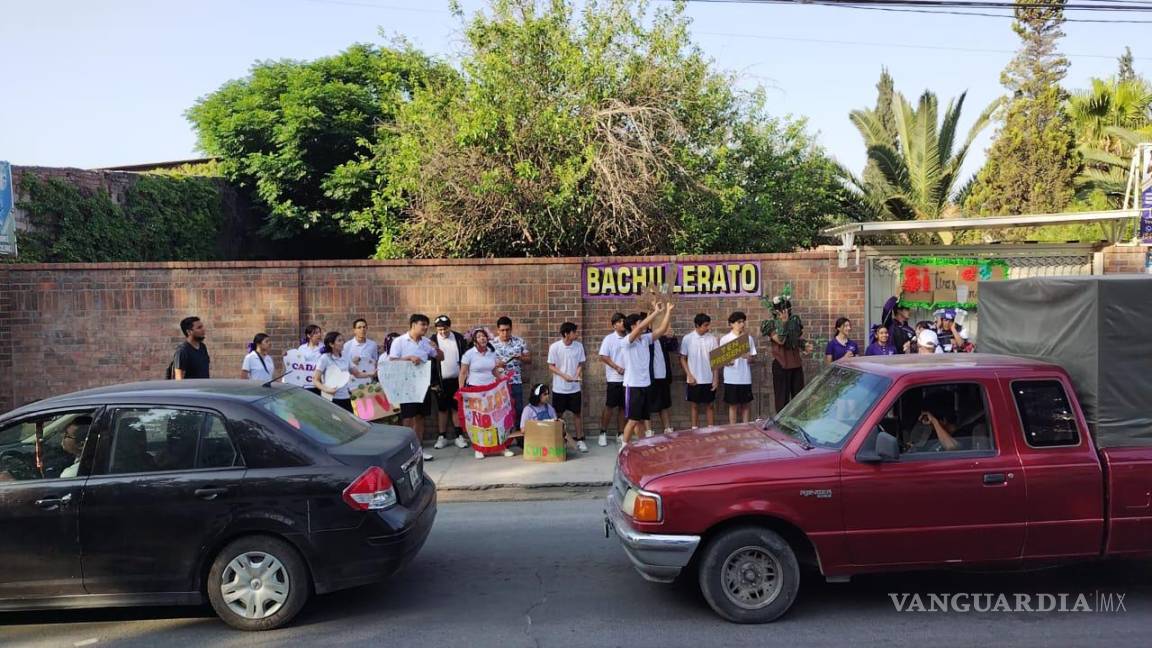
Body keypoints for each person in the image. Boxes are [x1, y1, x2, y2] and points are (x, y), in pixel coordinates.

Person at [388, 314, 444, 459]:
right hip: (406, 386)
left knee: (421, 417)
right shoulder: (399, 341)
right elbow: (392, 362)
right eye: (422, 324)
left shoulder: (426, 342)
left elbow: (440, 358)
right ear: (413, 325)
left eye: (426, 325)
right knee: (407, 418)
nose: (425, 327)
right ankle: (406, 451)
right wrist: (408, 358)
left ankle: (419, 449)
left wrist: (436, 348)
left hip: (423, 385)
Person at [621, 303, 673, 447]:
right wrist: (656, 312)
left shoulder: (645, 339)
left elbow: (662, 330)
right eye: (639, 323)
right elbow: (639, 328)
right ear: (632, 326)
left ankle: (642, 444)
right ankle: (624, 446)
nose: (643, 325)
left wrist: (668, 311)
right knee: (632, 420)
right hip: (633, 386)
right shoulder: (627, 342)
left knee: (641, 418)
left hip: (646, 385)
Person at [460, 328, 508, 459]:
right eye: (479, 336)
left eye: (484, 336)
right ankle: (479, 448)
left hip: (491, 390)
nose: (483, 338)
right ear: (475, 341)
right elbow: (463, 373)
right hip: (474, 390)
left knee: (495, 418)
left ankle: (501, 446)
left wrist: (502, 381)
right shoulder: (469, 354)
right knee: (479, 420)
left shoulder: (492, 353)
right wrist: (461, 391)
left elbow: (494, 371)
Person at [547, 322, 589, 453]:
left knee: (577, 414)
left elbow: (581, 363)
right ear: (566, 333)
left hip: (574, 388)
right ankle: (560, 440)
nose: (576, 334)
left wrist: (576, 375)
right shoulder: (555, 347)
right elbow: (551, 365)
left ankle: (580, 439)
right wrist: (564, 375)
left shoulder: (579, 346)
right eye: (574, 332)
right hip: (559, 388)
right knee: (558, 415)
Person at [765, 297, 811, 413]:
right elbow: (780, 340)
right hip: (781, 365)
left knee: (799, 399)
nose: (786, 312)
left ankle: (798, 424)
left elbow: (796, 338)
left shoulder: (794, 322)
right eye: (782, 310)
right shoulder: (771, 324)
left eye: (787, 309)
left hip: (795, 364)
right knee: (782, 400)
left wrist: (804, 345)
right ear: (776, 311)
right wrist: (784, 323)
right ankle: (781, 426)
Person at [432, 315, 470, 450]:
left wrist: (465, 379)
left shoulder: (459, 338)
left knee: (456, 407)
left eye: (445, 329)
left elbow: (465, 357)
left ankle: (459, 436)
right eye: (440, 329)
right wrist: (433, 382)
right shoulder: (432, 340)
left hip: (457, 380)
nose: (442, 332)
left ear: (450, 327)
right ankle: (442, 436)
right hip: (440, 381)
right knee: (442, 409)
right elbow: (430, 363)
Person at [492, 317, 531, 433]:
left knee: (518, 409)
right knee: (500, 411)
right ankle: (504, 437)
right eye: (502, 330)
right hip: (498, 383)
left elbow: (529, 359)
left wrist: (521, 358)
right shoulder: (491, 344)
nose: (505, 333)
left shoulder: (519, 341)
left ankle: (519, 436)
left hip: (515, 381)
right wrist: (497, 364)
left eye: (507, 330)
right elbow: (484, 362)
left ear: (511, 329)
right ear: (498, 330)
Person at [680, 313, 719, 428]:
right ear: (697, 325)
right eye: (705, 325)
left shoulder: (712, 339)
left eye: (708, 325)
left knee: (710, 405)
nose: (708, 328)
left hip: (708, 378)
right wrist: (689, 375)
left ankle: (710, 429)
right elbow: (682, 358)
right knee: (694, 406)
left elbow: (716, 360)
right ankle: (694, 429)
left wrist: (715, 379)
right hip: (694, 379)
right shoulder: (687, 339)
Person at [597, 312, 628, 447]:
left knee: (623, 407)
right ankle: (603, 432)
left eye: (624, 321)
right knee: (610, 406)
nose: (623, 324)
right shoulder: (609, 339)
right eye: (620, 322)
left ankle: (620, 433)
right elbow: (603, 356)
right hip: (614, 378)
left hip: (628, 378)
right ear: (614, 325)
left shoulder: (629, 337)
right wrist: (616, 367)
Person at [721, 311, 757, 425]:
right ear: (731, 324)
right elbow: (721, 361)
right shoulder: (725, 339)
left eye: (743, 322)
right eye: (739, 322)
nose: (742, 324)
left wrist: (747, 357)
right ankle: (733, 428)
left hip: (745, 377)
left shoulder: (748, 339)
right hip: (731, 377)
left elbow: (753, 359)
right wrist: (728, 361)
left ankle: (746, 427)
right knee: (733, 405)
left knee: (745, 405)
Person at [314, 332, 357, 412]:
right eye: (339, 340)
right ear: (331, 344)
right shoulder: (324, 358)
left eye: (342, 340)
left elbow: (357, 373)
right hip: (331, 399)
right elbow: (315, 380)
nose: (343, 342)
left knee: (349, 422)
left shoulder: (345, 356)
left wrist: (372, 373)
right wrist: (326, 389)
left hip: (345, 397)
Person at [649, 329, 678, 437]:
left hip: (663, 376)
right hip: (650, 377)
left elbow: (673, 347)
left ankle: (667, 428)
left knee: (664, 404)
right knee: (648, 405)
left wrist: (672, 336)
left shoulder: (662, 337)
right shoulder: (646, 337)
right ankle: (648, 431)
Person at [345, 318, 379, 393]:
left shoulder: (373, 344)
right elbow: (343, 365)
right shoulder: (347, 345)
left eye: (364, 327)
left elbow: (375, 362)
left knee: (368, 404)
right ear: (354, 330)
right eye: (359, 327)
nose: (362, 329)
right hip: (352, 383)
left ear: (367, 329)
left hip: (368, 382)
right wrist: (352, 362)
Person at [298, 324, 325, 395]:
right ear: (309, 335)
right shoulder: (301, 348)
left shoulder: (324, 348)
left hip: (319, 383)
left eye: (319, 332)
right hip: (305, 383)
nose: (319, 334)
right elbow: (298, 364)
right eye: (316, 333)